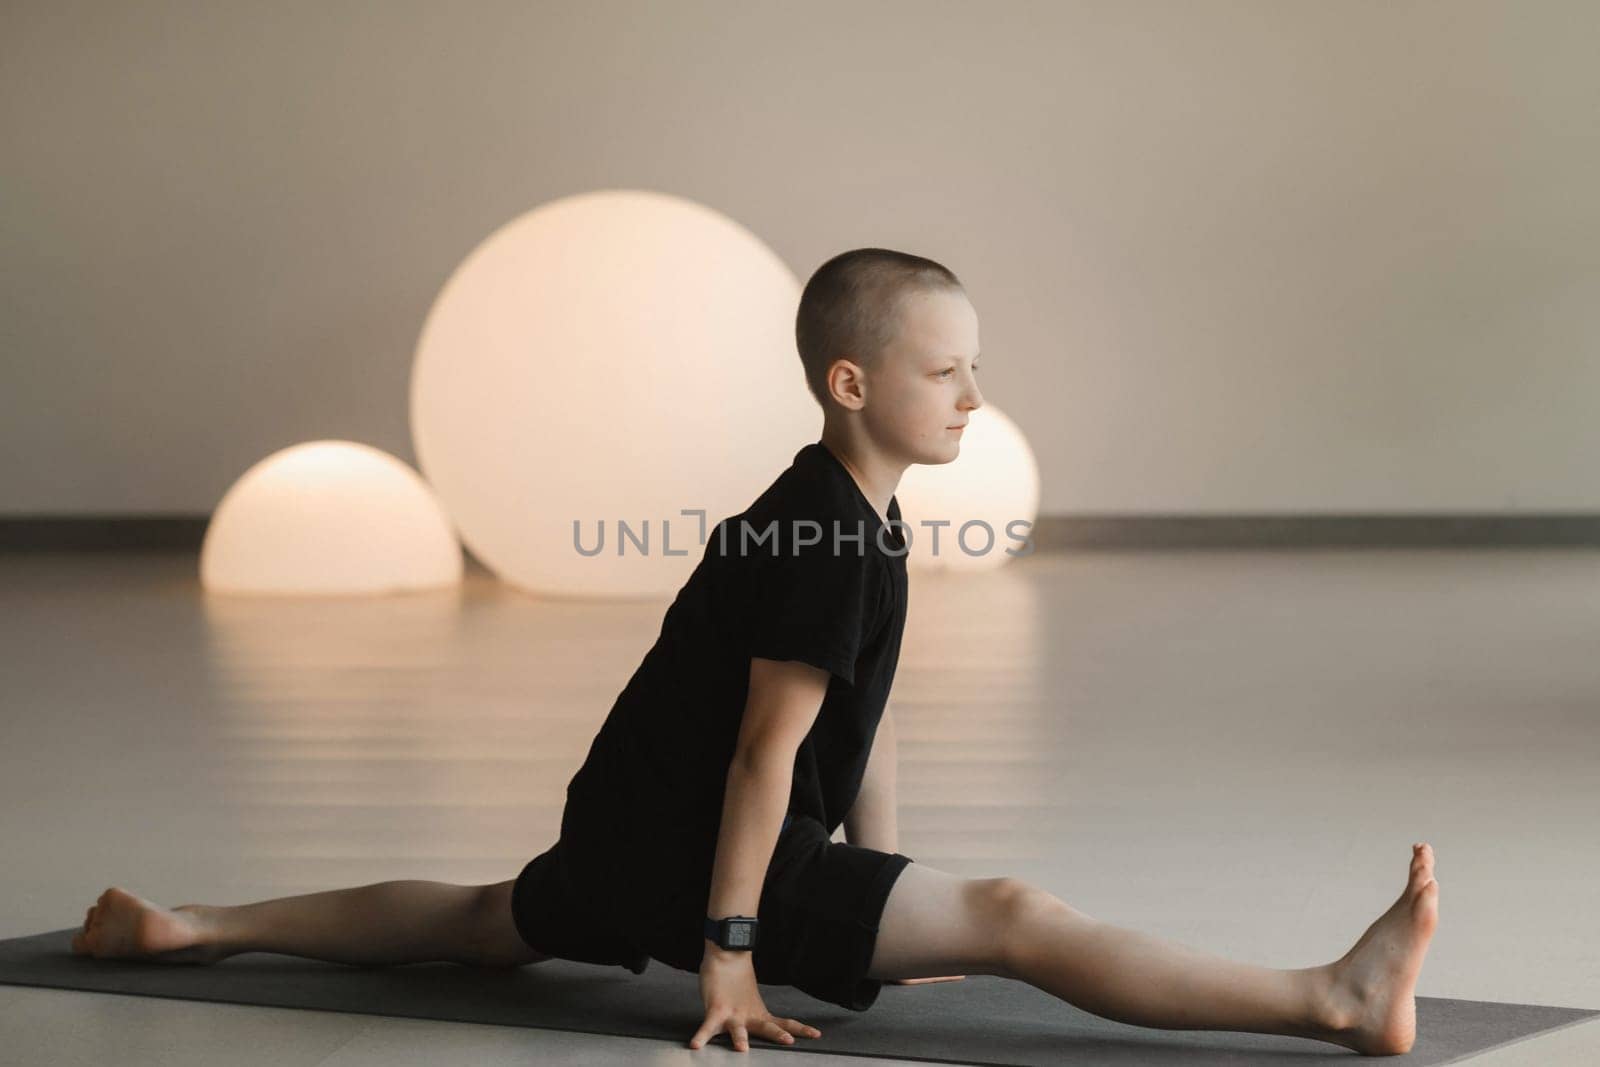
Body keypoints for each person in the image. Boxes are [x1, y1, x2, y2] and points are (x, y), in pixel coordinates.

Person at [71, 249, 1439, 1057]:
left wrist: (886, 887)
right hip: (695, 858)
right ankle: (1332, 997)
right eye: (944, 373)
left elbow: (866, 713)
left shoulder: (847, 512)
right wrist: (731, 954)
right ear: (853, 384)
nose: (975, 396)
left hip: (624, 839)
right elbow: (764, 753)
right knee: (1022, 915)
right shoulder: (823, 540)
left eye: (976, 367)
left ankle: (198, 926)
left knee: (493, 921)